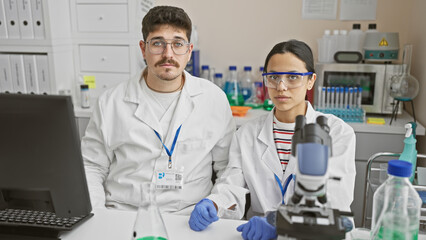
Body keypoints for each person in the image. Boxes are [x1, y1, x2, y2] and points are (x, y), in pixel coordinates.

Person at [188, 40, 356, 239]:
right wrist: (214, 204)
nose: (281, 87)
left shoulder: (337, 133)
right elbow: (232, 186)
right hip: (257, 233)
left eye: (293, 77)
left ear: (311, 80)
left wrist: (281, 225)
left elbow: (336, 201)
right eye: (274, 77)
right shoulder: (247, 134)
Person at [81, 6, 235, 214]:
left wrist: (216, 203)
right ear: (143, 49)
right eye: (158, 43)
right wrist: (99, 216)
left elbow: (229, 167)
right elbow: (91, 166)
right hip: (124, 214)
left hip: (190, 216)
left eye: (178, 44)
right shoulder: (111, 102)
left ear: (189, 51)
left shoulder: (213, 99)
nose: (168, 54)